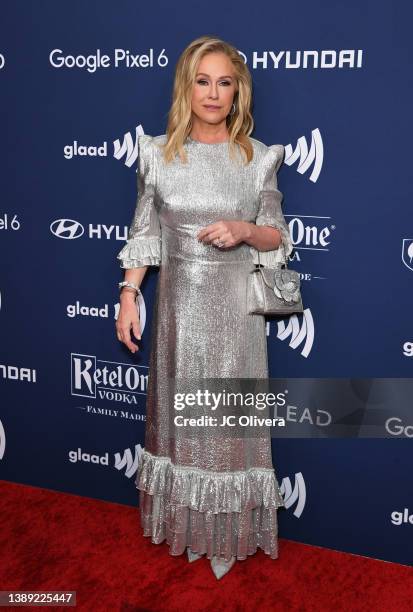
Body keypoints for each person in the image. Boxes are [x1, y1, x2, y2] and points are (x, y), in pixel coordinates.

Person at [115, 35, 293, 580]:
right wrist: (128, 295)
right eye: (203, 81)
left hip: (237, 316)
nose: (213, 93)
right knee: (183, 423)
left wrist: (244, 230)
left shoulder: (257, 159)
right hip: (178, 313)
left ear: (237, 92)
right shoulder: (157, 153)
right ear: (186, 87)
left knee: (227, 429)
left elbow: (277, 238)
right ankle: (187, 529)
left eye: (224, 82)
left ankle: (229, 535)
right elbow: (144, 234)